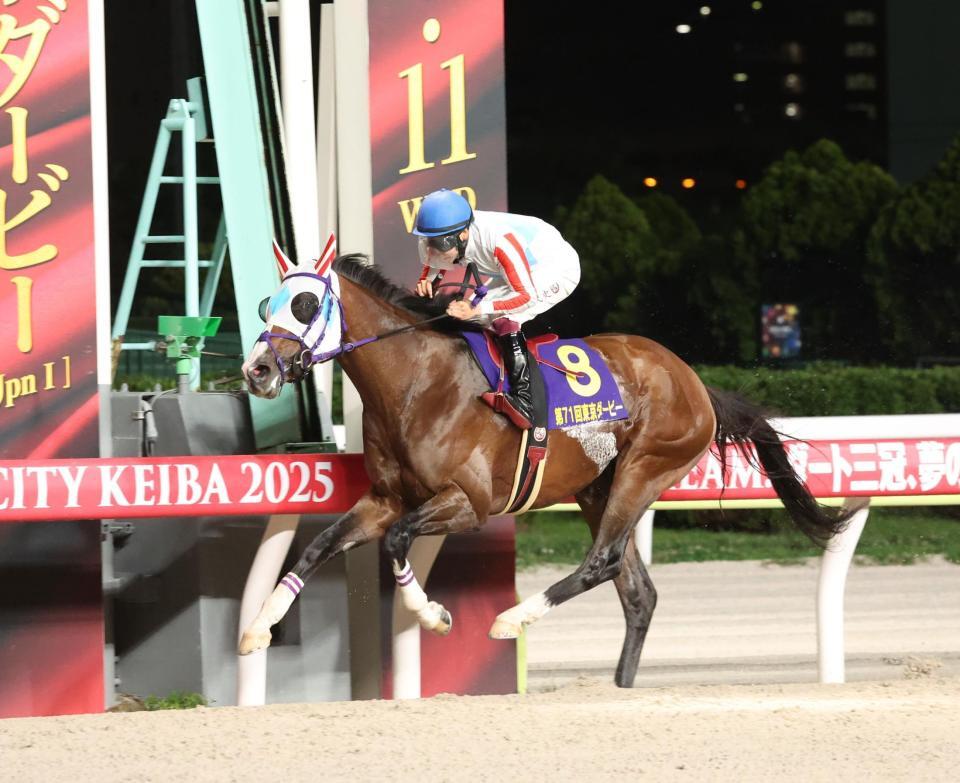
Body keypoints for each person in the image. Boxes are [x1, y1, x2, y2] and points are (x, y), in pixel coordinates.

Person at [412, 188, 581, 429]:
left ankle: (525, 400)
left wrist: (477, 311)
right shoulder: (439, 239)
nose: (431, 250)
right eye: (428, 241)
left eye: (438, 244)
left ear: (463, 234)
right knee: (471, 316)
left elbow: (524, 295)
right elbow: (432, 265)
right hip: (515, 269)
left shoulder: (499, 241)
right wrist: (427, 283)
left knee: (500, 317)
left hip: (554, 268)